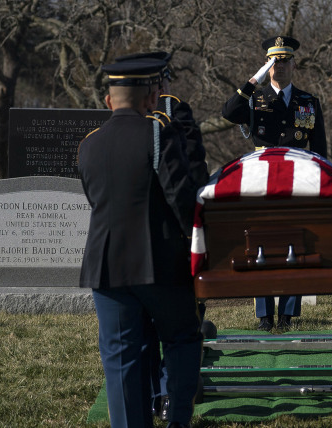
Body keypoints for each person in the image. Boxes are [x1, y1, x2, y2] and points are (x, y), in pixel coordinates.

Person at [78, 58, 205, 428]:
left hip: (107, 267)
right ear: (153, 96)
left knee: (121, 359)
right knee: (181, 339)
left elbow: (95, 200)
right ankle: (177, 421)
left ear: (108, 101)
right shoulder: (159, 132)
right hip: (161, 263)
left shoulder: (88, 145)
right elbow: (182, 199)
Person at [114, 51, 209, 423]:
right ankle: (163, 394)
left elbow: (192, 170)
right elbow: (190, 172)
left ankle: (162, 394)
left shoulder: (164, 114)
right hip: (162, 238)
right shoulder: (164, 115)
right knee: (164, 328)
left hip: (150, 239)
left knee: (159, 328)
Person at [222, 36, 327, 331]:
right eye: (274, 62)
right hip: (262, 178)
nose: (280, 66)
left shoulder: (308, 101)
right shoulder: (255, 98)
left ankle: (288, 314)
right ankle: (265, 315)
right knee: (260, 245)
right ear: (268, 66)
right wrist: (252, 79)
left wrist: (320, 183)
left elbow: (319, 147)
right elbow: (229, 112)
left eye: (285, 61)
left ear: (294, 64)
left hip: (298, 177)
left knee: (298, 241)